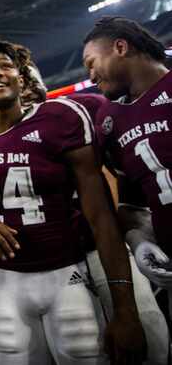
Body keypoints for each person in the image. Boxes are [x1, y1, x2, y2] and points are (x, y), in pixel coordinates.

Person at [0, 38, 145, 364]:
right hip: (6, 284)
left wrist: (125, 310)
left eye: (5, 66)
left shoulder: (61, 116)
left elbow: (101, 215)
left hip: (67, 276)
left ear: (20, 78)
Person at [21, 59, 168, 363]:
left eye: (28, 78)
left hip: (99, 244)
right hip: (52, 260)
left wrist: (120, 228)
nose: (25, 87)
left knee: (146, 332)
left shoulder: (80, 108)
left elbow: (115, 171)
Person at [83, 16, 172, 314]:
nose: (91, 75)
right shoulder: (110, 120)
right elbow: (132, 204)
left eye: (92, 62)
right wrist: (139, 241)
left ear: (120, 47)